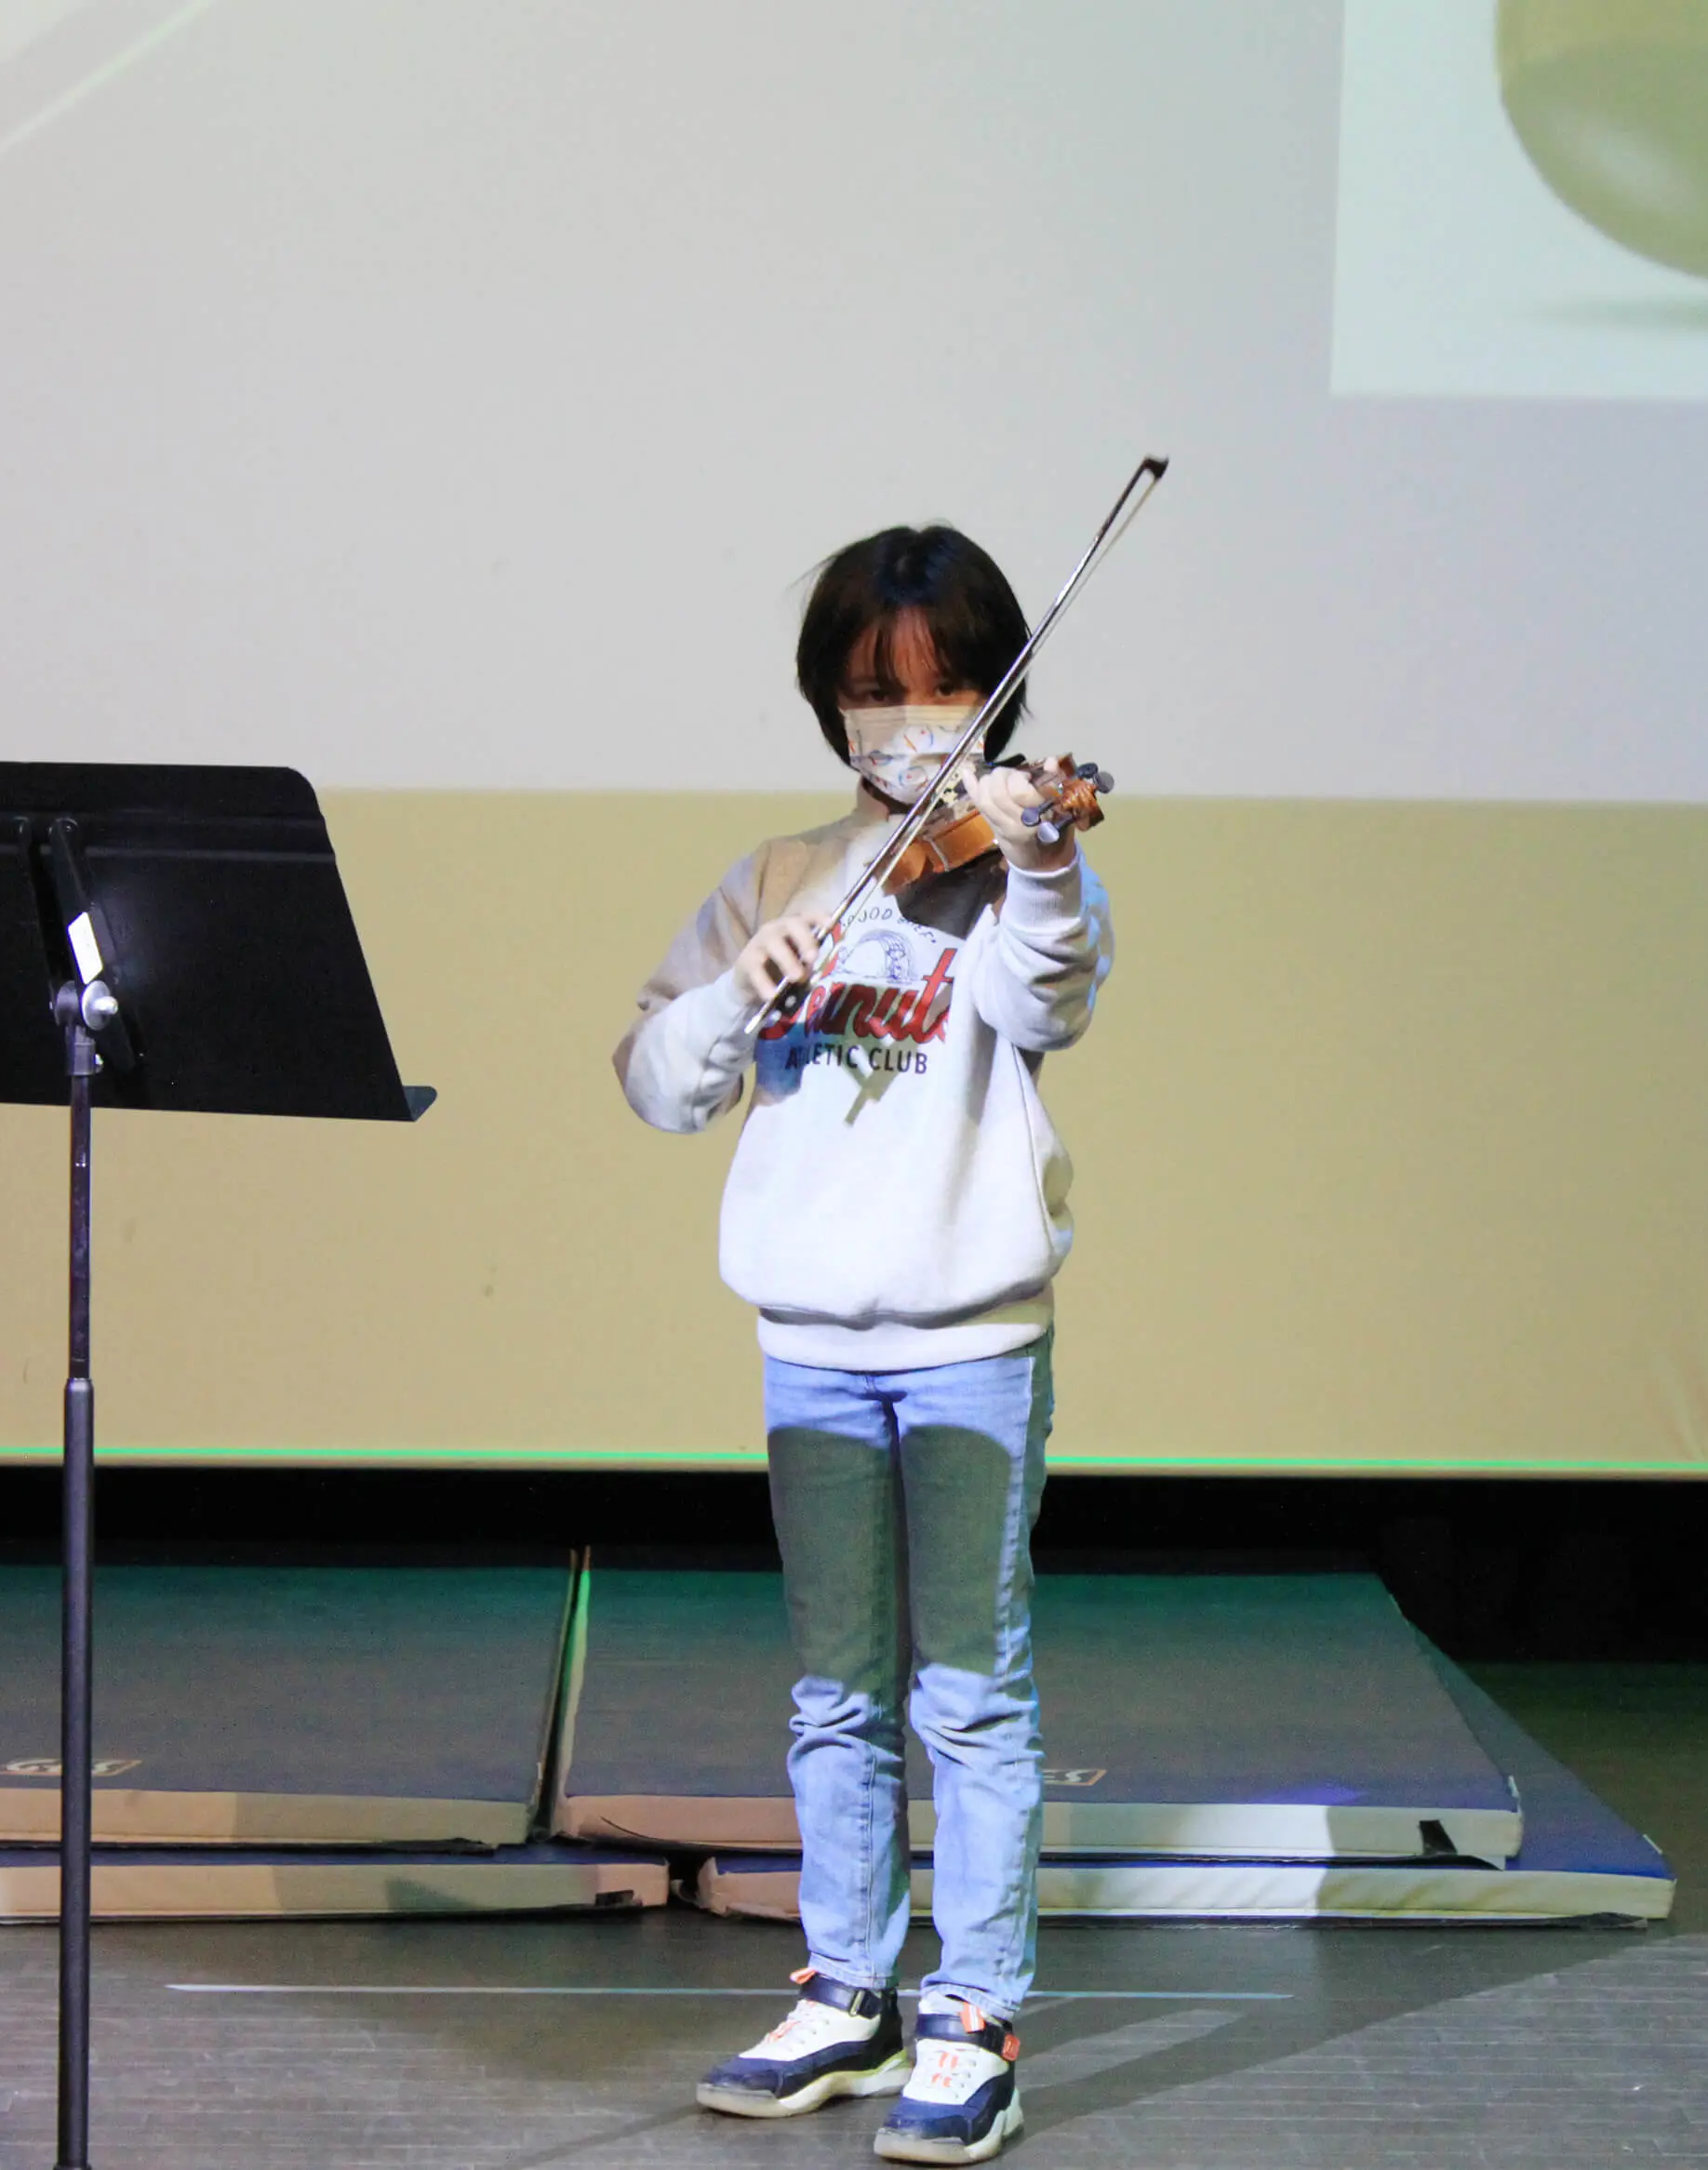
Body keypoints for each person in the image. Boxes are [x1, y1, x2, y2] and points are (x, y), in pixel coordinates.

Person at [613, 523, 1113, 2165]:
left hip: (973, 1339)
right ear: (831, 702)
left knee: (970, 1692)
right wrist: (733, 996)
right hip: (810, 1337)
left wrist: (1041, 858)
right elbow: (657, 1082)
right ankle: (846, 1990)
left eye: (947, 688)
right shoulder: (779, 877)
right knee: (834, 1693)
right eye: (876, 692)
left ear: (997, 696)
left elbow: (1047, 1001)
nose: (910, 725)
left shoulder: (1015, 863)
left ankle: (975, 2016)